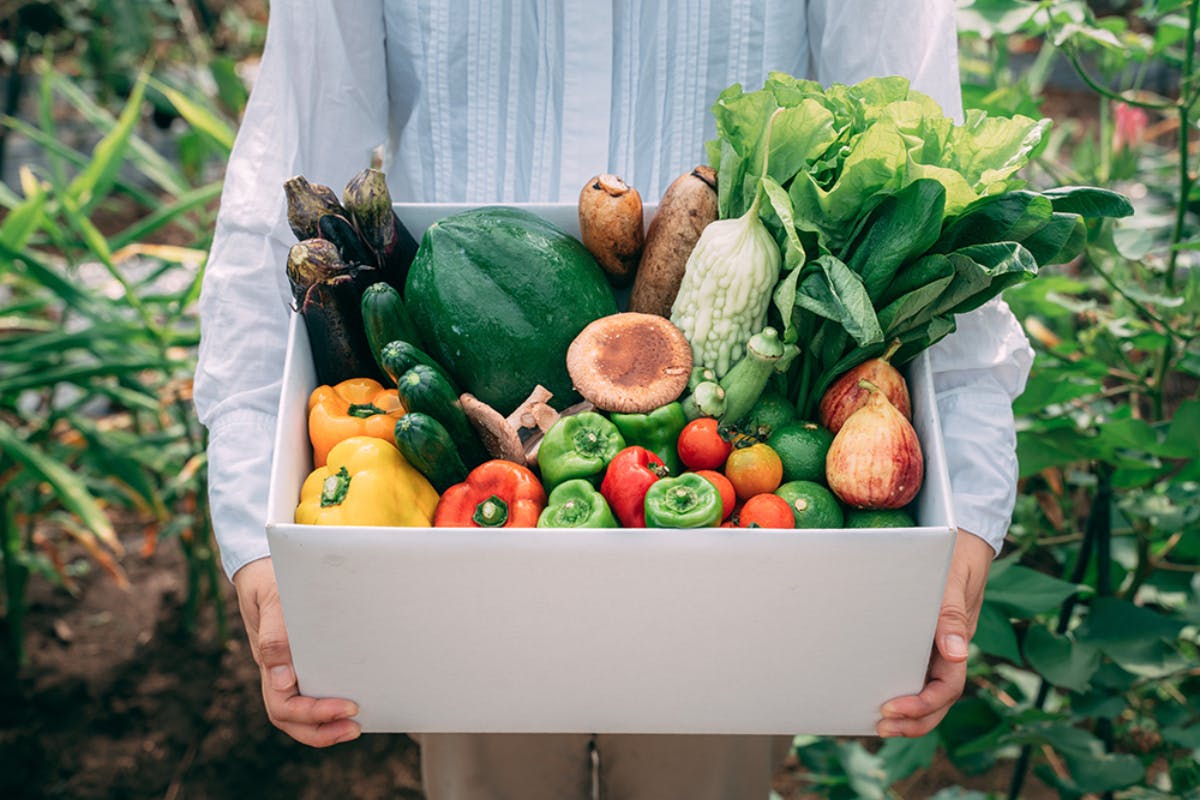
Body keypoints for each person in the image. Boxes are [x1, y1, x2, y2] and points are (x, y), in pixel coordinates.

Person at [194, 1, 1031, 797]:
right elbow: (282, 194)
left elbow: (927, 183)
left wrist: (966, 510)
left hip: (736, 543)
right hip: (461, 532)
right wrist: (254, 534)